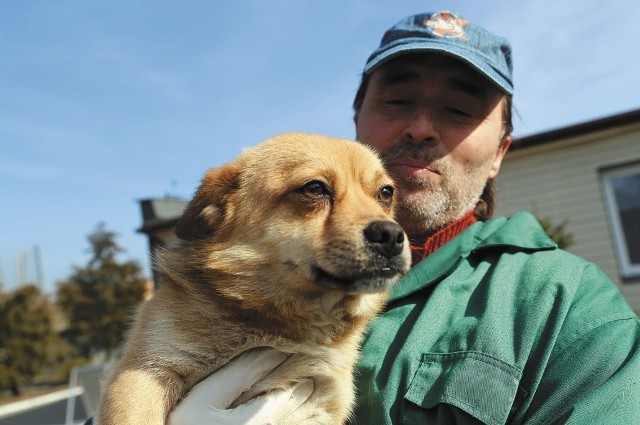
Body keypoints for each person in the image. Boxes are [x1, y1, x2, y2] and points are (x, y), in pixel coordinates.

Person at [88, 10, 640, 425]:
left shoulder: (568, 308)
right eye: (397, 101)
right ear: (359, 117)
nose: (422, 127)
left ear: (500, 151)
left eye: (459, 109)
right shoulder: (209, 296)